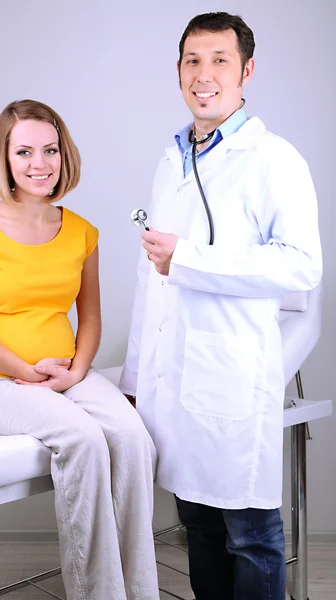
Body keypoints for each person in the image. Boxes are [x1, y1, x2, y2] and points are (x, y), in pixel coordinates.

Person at [119, 12, 322, 600]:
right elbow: (149, 277)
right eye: (192, 61)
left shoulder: (273, 159)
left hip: (229, 375)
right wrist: (135, 378)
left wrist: (192, 259)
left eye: (219, 61)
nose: (204, 74)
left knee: (250, 536)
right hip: (173, 376)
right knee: (198, 528)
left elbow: (300, 265)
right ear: (178, 71)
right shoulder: (171, 158)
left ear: (246, 71)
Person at [0, 99, 159, 600]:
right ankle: (97, 592)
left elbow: (92, 317)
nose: (40, 163)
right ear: (4, 159)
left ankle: (138, 590)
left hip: (67, 375)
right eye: (24, 152)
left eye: (50, 150)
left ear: (65, 156)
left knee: (132, 435)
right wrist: (25, 371)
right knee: (82, 439)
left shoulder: (80, 231)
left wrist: (76, 371)